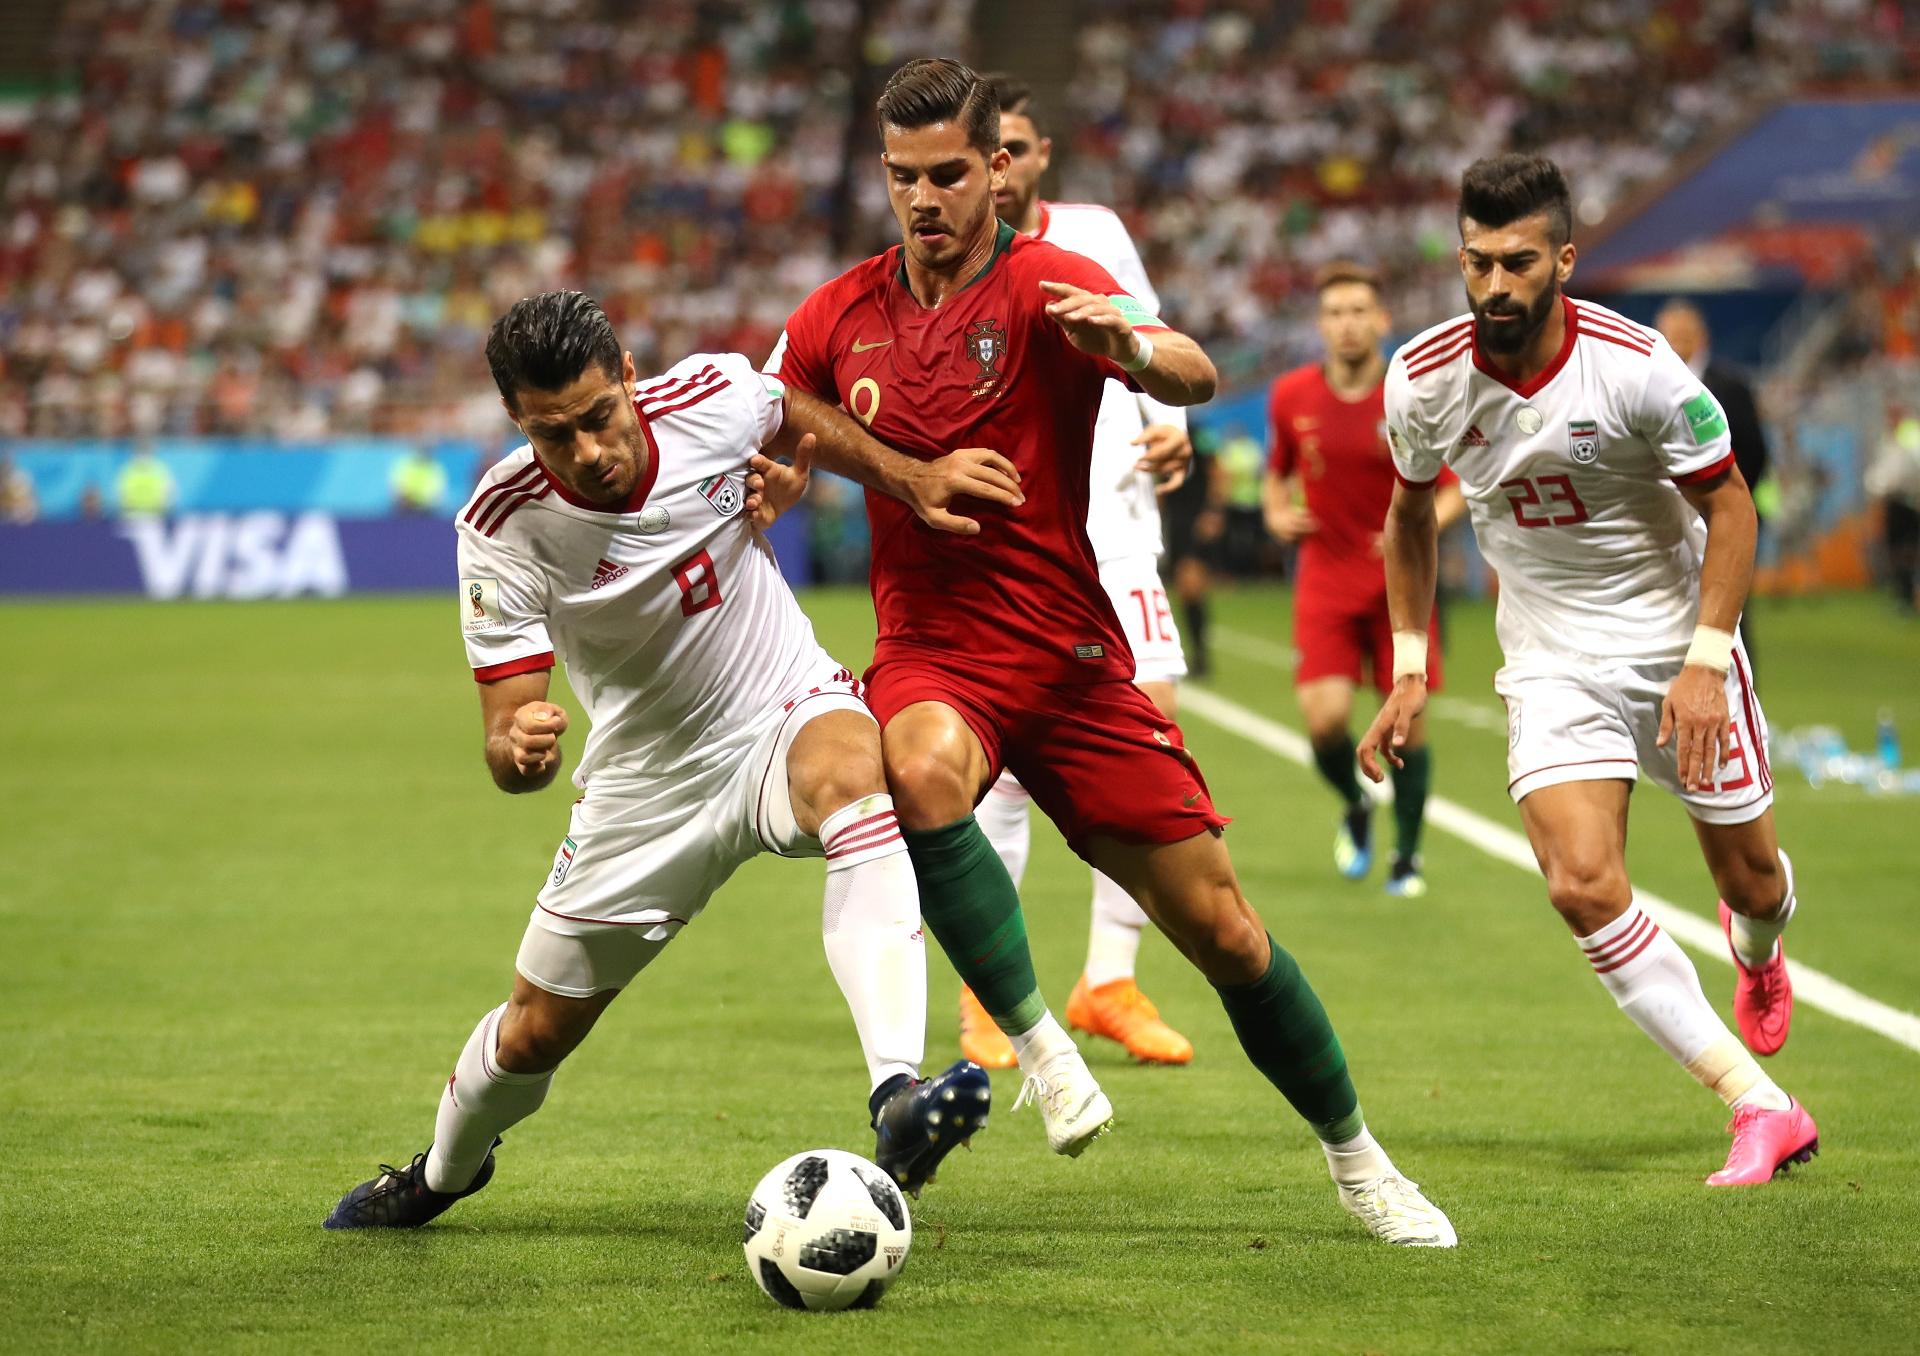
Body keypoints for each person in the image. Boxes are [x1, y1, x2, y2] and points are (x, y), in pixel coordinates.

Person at [764, 59, 1454, 1245]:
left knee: (1229, 934)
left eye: (946, 176)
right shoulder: (840, 312)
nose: (923, 200)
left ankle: (1360, 1164)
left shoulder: (1050, 284)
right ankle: (1039, 1047)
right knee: (917, 767)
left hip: (1073, 656)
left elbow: (1193, 367)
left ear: (998, 170)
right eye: (901, 178)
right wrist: (891, 473)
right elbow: (782, 410)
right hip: (936, 651)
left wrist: (1135, 356)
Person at [324, 290, 1025, 1229]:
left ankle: (896, 1099)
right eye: (552, 435)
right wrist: (515, 747)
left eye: (598, 418)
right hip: (646, 787)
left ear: (627, 378)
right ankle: (442, 1173)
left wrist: (908, 477)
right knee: (534, 1031)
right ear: (516, 424)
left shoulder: (710, 398)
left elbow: (786, 407)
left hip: (779, 706)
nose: (587, 453)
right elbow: (506, 730)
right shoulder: (501, 525)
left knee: (858, 780)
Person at [1361, 155, 1816, 1187]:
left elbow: (1732, 506)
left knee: (1751, 881)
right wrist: (1407, 667)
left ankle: (1759, 947)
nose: (1494, 287)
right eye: (1476, 263)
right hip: (1552, 661)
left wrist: (1706, 660)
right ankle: (1761, 1104)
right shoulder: (1424, 377)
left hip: (1676, 647)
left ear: (1564, 258)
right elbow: (1406, 520)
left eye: (1518, 262)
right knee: (1578, 882)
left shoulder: (1641, 366)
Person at [938, 73, 1195, 1070]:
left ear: (1035, 157)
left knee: (1152, 736)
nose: (996, 170)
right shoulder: (945, 258)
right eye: (980, 151)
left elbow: (1150, 337)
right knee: (997, 766)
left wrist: (1170, 429)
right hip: (1018, 534)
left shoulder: (1093, 233)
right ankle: (984, 992)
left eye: (1013, 149)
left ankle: (1108, 979)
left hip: (1118, 524)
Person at [1262, 263, 1466, 897]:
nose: (1348, 324)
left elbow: (1455, 490)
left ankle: (1407, 856)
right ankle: (1355, 801)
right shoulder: (1290, 395)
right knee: (1323, 722)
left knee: (1409, 726)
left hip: (1400, 585)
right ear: (1321, 325)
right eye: (1336, 312)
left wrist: (1415, 528)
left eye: (1359, 311)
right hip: (1324, 574)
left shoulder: (1413, 393)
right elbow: (1278, 470)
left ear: (1381, 321)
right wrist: (1274, 511)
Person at [1655, 300, 1771, 678]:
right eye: (1669, 335)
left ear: (1701, 337)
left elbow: (1754, 450)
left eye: (1683, 335)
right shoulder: (1646, 383)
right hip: (1665, 522)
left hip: (1719, 515)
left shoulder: (1731, 385)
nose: (1676, 343)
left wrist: (1724, 502)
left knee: (1731, 604)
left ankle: (1735, 689)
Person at [115, 443, 175, 518]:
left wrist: (162, 509)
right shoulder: (127, 469)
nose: (142, 456)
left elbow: (169, 494)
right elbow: (120, 494)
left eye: (145, 452)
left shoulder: (160, 469)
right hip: (131, 516)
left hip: (156, 516)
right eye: (140, 452)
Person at [390, 446, 450, 515]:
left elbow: (437, 495)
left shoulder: (435, 468)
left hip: (427, 511)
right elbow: (397, 488)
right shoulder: (405, 464)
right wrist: (406, 498)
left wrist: (418, 501)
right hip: (405, 507)